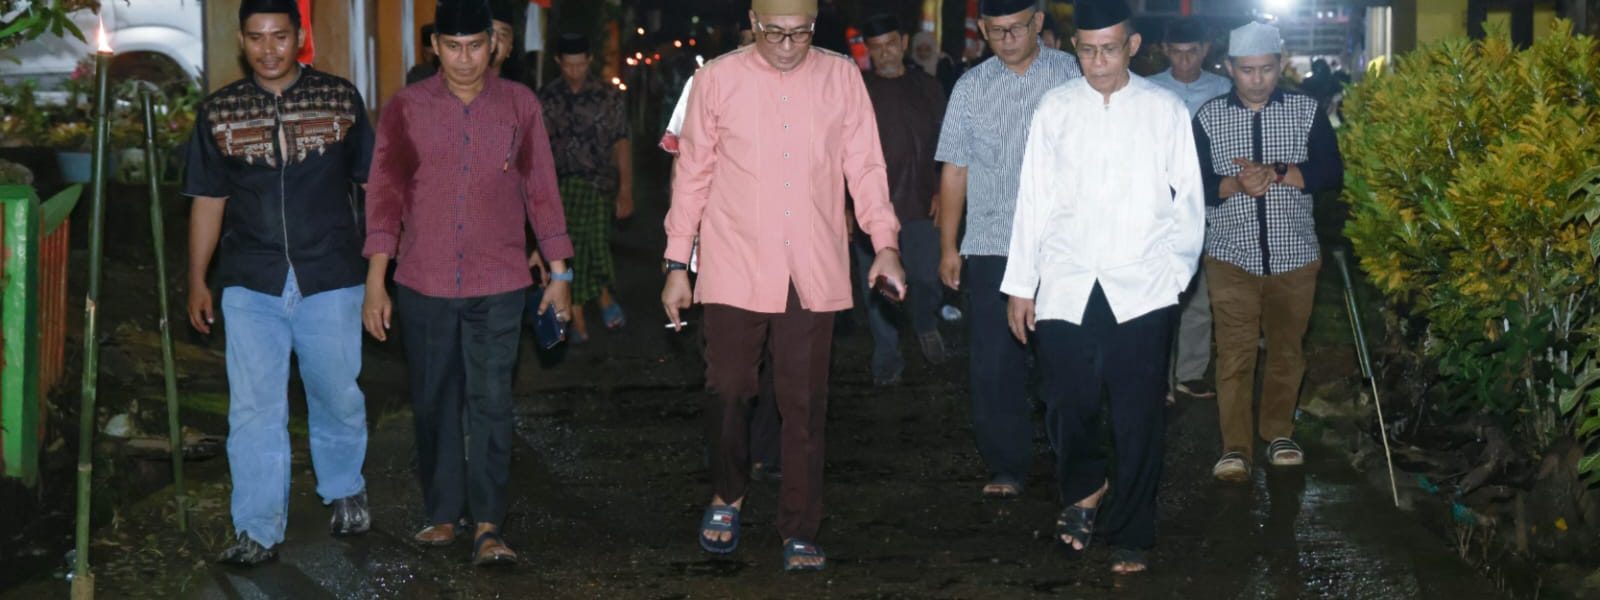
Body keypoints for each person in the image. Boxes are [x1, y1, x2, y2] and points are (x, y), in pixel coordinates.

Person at [662, 0, 905, 572]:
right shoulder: (716, 79)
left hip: (811, 264)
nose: (789, 46)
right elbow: (692, 174)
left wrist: (885, 243)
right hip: (733, 261)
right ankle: (728, 493)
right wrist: (676, 264)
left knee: (804, 401)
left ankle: (799, 526)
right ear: (753, 23)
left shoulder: (841, 76)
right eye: (775, 33)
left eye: (801, 34)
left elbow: (866, 166)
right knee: (727, 387)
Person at [361, 0, 573, 567]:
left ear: (493, 45)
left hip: (498, 280)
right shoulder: (406, 108)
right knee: (433, 399)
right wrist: (376, 280)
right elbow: (384, 196)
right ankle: (442, 511)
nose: (464, 58)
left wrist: (560, 273)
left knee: (491, 401)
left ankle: (488, 524)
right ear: (434, 47)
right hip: (423, 280)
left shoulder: (520, 106)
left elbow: (542, 192)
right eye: (452, 47)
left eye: (475, 45)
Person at [1003, 0, 1204, 575]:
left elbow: (1189, 203)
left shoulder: (1164, 110)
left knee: (1139, 415)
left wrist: (1173, 277)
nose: (1098, 62)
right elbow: (1032, 200)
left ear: (1132, 47)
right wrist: (1021, 285)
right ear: (1075, 49)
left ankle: (1133, 529)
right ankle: (1085, 486)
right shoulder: (1056, 108)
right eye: (1087, 50)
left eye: (1109, 49)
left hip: (1142, 286)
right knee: (1067, 401)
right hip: (1066, 280)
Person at [183, 0, 375, 566]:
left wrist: (381, 269)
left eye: (280, 36)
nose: (268, 49)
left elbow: (374, 186)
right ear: (242, 41)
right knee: (253, 408)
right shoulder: (220, 112)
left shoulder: (339, 99)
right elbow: (208, 200)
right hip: (250, 279)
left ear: (300, 36)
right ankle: (257, 526)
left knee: (337, 392)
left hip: (331, 274)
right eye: (256, 37)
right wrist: (197, 278)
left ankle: (344, 487)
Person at [934, 0, 1080, 500]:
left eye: (1016, 28)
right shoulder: (971, 87)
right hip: (993, 243)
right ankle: (1005, 464)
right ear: (983, 30)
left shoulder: (1071, 75)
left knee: (1064, 357)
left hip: (1062, 244)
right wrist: (949, 246)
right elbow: (955, 168)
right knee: (994, 363)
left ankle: (1074, 463)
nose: (1008, 39)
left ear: (1037, 22)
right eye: (996, 31)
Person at [1192, 21, 1343, 483]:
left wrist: (1276, 172)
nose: (1257, 80)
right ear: (1229, 67)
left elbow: (1331, 173)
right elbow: (1192, 183)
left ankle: (1278, 433)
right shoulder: (1208, 118)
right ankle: (1235, 448)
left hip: (1295, 256)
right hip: (1230, 255)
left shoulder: (1305, 111)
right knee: (1235, 353)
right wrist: (1236, 184)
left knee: (1286, 350)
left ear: (1281, 66)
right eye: (1247, 70)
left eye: (1266, 69)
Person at [856, 12, 949, 385]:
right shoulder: (859, 92)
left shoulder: (927, 87)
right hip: (872, 207)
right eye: (877, 47)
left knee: (926, 277)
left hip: (922, 201)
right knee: (879, 287)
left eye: (891, 44)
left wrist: (942, 188)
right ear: (869, 50)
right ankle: (887, 356)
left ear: (904, 43)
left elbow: (948, 143)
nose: (885, 53)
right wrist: (846, 206)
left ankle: (925, 324)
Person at [1147, 17, 1232, 402]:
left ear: (1205, 50)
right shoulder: (1149, 90)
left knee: (1198, 292)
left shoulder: (1223, 90)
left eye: (1192, 53)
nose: (1184, 61)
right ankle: (1158, 377)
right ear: (1165, 51)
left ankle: (1191, 372)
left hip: (1209, 200)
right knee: (1160, 292)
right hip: (1160, 203)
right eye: (1177, 53)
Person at [539, 33, 633, 343]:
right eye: (568, 65)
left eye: (580, 65)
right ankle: (583, 306)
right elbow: (537, 149)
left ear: (589, 61)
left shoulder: (607, 96)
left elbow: (621, 142)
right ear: (558, 62)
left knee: (593, 246)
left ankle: (592, 299)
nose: (574, 71)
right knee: (573, 248)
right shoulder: (547, 97)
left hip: (598, 186)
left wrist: (625, 190)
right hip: (560, 187)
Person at [910, 30, 962, 95]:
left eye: (927, 49)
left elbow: (947, 88)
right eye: (919, 49)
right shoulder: (911, 65)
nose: (923, 53)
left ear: (933, 48)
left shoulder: (942, 63)